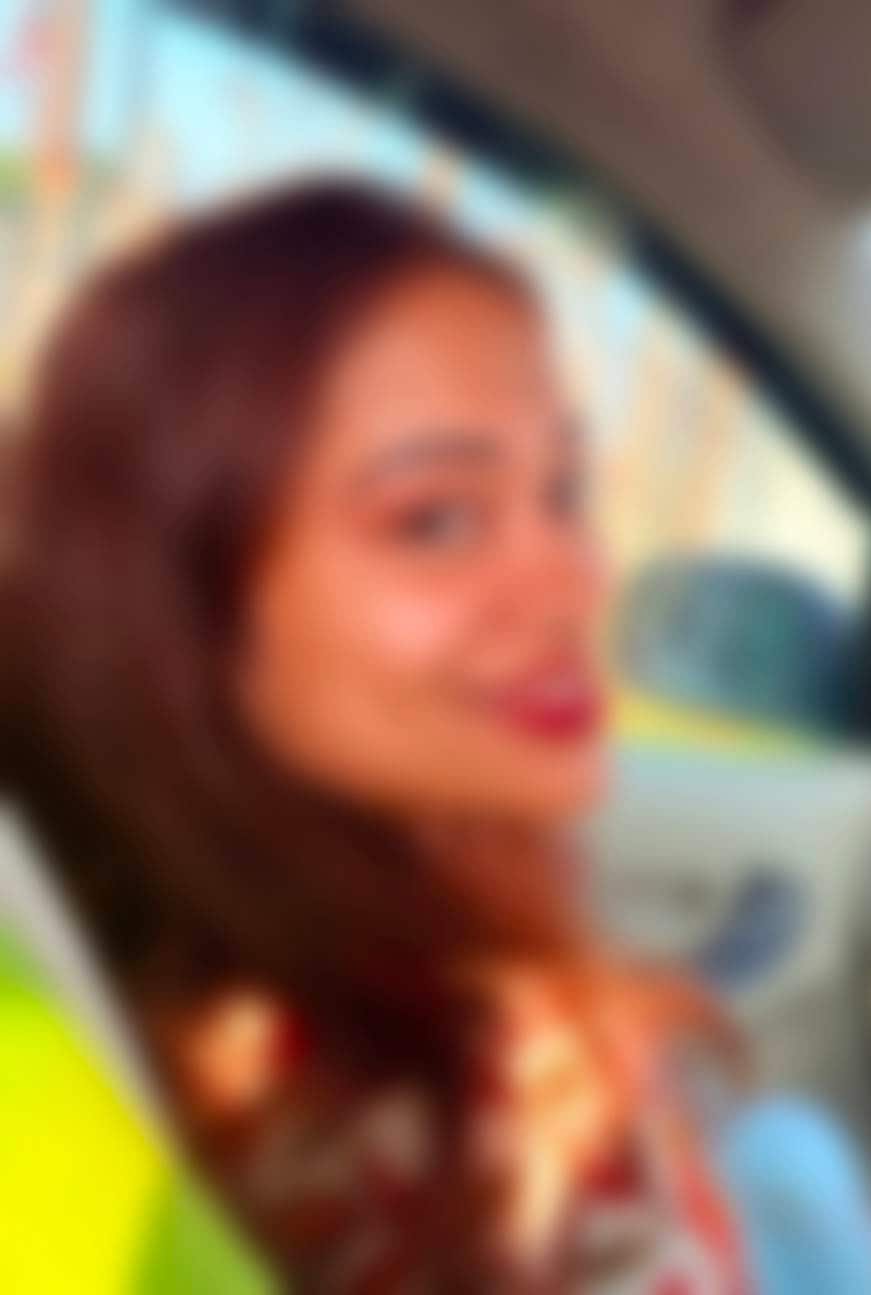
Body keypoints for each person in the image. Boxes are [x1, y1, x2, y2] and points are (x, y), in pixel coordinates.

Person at [1, 182, 749, 1292]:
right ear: (183, 610)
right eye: (436, 517)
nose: (578, 580)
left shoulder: (151, 944)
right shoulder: (487, 1130)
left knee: (793, 1161)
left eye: (562, 492)